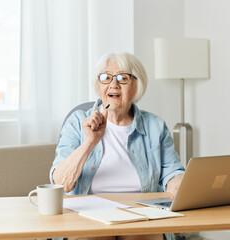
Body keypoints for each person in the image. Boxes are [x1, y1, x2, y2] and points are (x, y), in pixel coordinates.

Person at [50, 52, 185, 240]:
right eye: (106, 77)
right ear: (99, 85)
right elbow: (61, 183)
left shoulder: (155, 126)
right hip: (87, 216)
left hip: (142, 216)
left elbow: (173, 172)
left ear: (137, 85)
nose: (113, 84)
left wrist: (178, 184)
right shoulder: (77, 122)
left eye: (123, 78)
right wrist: (90, 141)